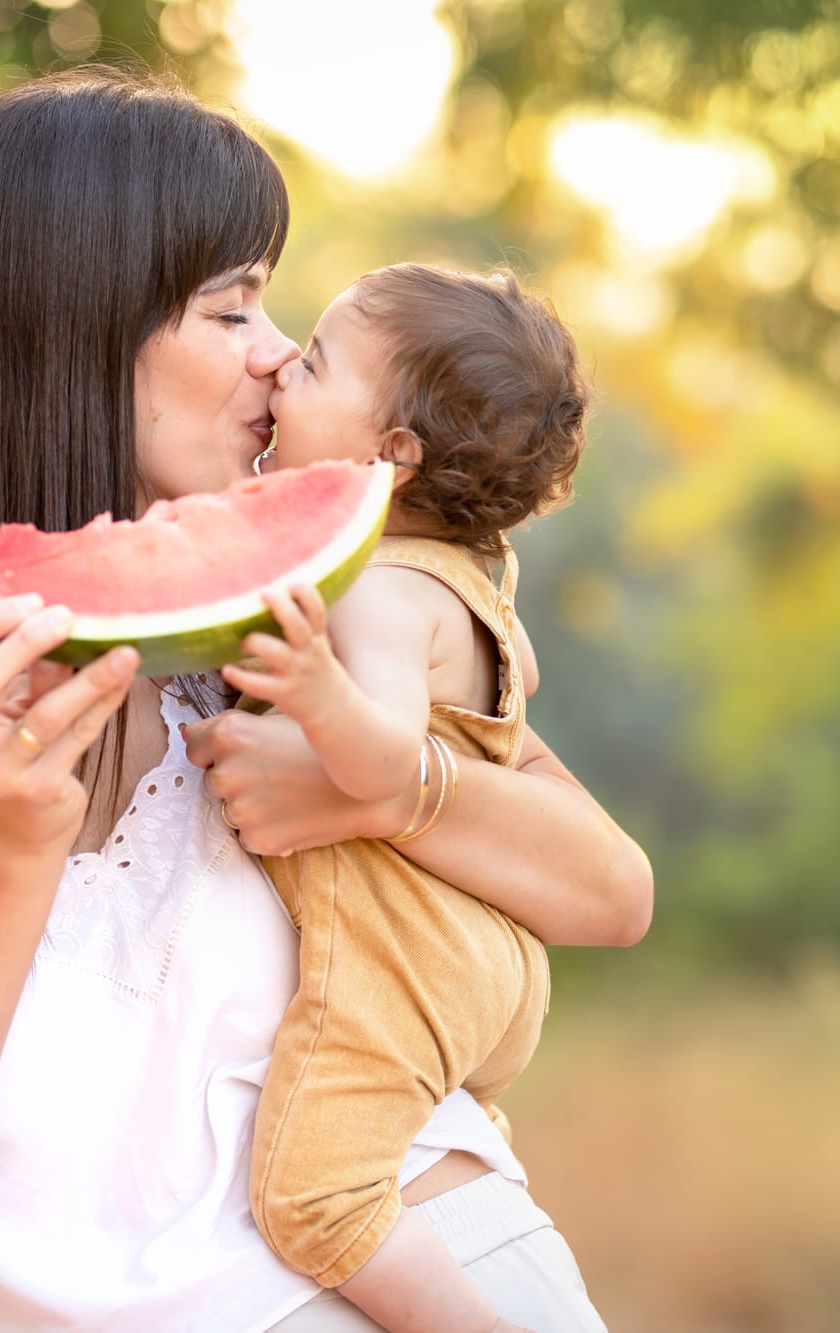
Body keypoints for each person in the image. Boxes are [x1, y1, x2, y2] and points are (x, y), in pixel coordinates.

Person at [0, 67, 650, 1333]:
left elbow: (611, 891)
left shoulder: (294, 614)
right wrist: (11, 838)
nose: (272, 355)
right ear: (70, 323)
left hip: (459, 1263)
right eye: (230, 307)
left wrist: (379, 787)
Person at [225, 263, 592, 1332]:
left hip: (401, 964)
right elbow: (515, 674)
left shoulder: (381, 594)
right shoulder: (470, 569)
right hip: (481, 957)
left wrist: (313, 691)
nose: (282, 364)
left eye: (316, 361)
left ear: (391, 454)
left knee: (314, 1204)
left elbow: (383, 766)